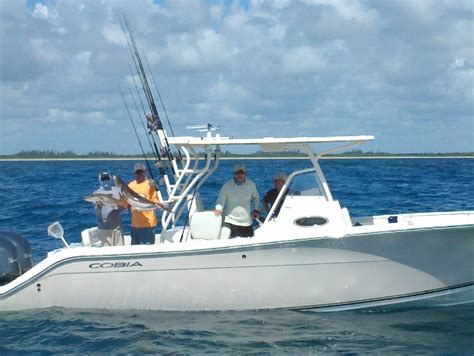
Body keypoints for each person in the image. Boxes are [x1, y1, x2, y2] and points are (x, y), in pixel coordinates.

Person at [214, 164, 260, 238]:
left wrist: (256, 209)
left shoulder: (251, 185)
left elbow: (256, 198)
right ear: (234, 174)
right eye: (237, 173)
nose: (240, 175)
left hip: (247, 223)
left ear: (245, 174)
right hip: (231, 222)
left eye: (242, 173)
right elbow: (220, 200)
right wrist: (218, 209)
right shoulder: (227, 185)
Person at [128, 163, 162, 245]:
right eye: (137, 172)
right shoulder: (130, 185)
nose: (139, 174)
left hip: (148, 224)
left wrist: (158, 205)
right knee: (135, 251)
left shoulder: (150, 184)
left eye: (141, 172)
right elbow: (126, 202)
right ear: (134, 173)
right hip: (135, 224)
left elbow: (154, 199)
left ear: (144, 172)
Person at [93, 171, 125, 246]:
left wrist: (121, 207)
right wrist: (99, 207)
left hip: (117, 228)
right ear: (100, 180)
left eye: (107, 178)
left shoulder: (117, 190)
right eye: (103, 179)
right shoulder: (96, 193)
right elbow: (97, 213)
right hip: (104, 229)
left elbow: (123, 207)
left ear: (110, 179)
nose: (105, 181)